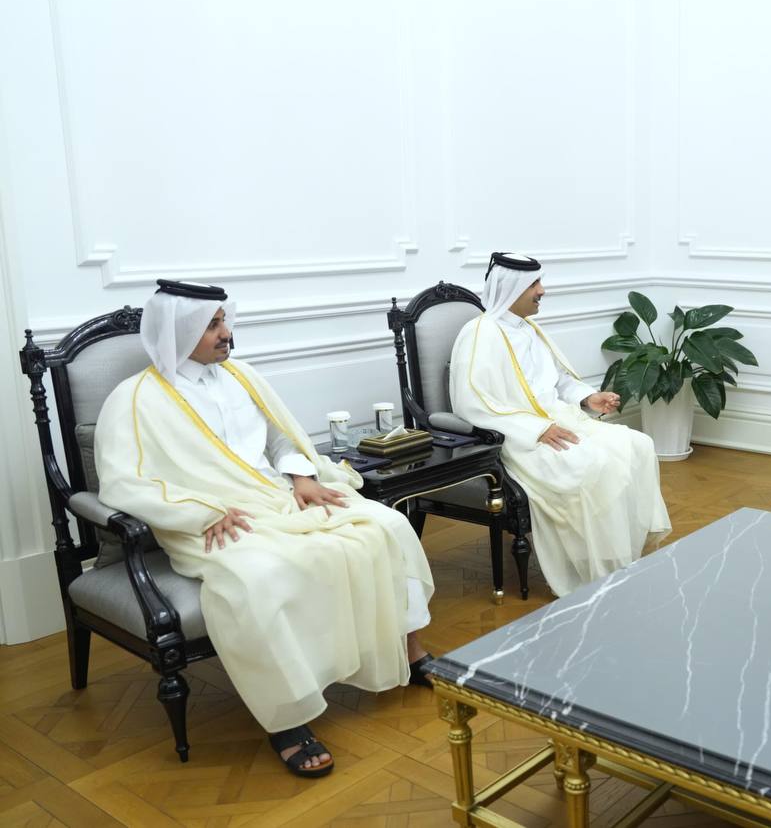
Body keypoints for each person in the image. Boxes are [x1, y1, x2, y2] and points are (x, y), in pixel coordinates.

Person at [94, 280, 436, 778]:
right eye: (212, 325)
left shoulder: (243, 376)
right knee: (259, 577)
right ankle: (288, 715)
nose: (226, 333)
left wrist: (302, 476)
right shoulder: (134, 399)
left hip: (278, 496)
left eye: (224, 321)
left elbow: (281, 438)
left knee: (386, 526)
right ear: (179, 331)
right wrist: (199, 512)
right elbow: (123, 482)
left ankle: (410, 649)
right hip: (212, 521)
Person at [449, 253, 671, 596]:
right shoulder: (480, 334)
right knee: (589, 463)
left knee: (638, 445)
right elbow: (472, 404)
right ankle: (589, 563)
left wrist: (588, 398)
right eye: (534, 284)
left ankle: (619, 554)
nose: (542, 291)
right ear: (511, 288)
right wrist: (535, 430)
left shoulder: (528, 329)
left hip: (559, 421)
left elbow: (558, 381)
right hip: (518, 437)